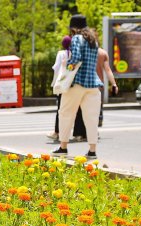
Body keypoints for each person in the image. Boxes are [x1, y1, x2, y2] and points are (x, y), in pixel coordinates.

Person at [52, 14, 102, 159]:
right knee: (91, 118)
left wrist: (66, 66)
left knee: (66, 114)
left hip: (77, 83)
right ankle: (92, 150)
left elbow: (76, 59)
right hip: (93, 84)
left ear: (74, 27)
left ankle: (63, 147)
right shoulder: (94, 41)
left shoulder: (76, 39)